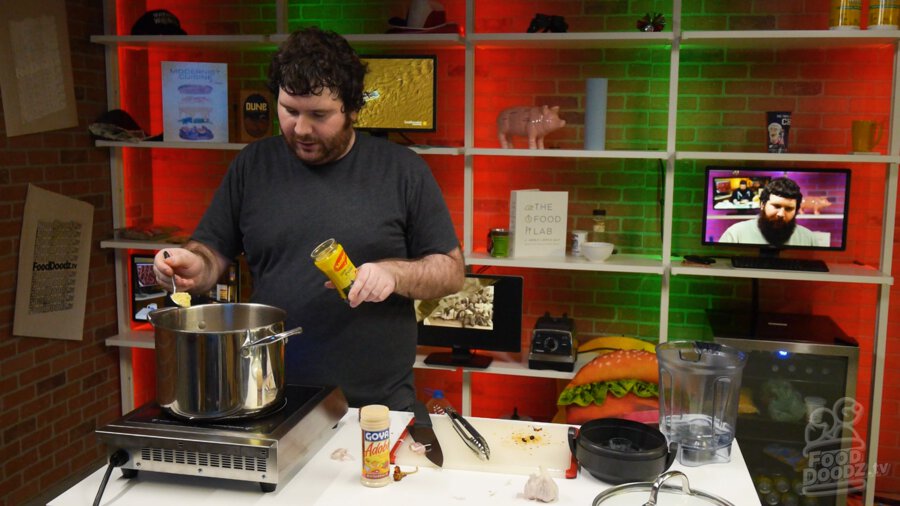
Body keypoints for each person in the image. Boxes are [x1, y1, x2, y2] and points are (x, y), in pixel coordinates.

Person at [152, 26, 465, 411]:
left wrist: (394, 274)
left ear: (352, 109)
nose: (301, 128)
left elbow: (451, 271)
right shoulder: (253, 165)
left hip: (375, 405)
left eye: (319, 115)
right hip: (270, 395)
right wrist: (191, 266)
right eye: (289, 111)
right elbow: (210, 253)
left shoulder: (402, 170)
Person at [719, 177, 819, 247]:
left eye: (789, 209)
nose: (781, 214)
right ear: (762, 205)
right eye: (776, 206)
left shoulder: (808, 239)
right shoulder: (735, 234)